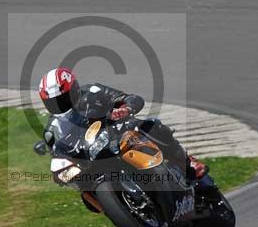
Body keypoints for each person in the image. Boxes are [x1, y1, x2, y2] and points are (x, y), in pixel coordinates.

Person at [36, 67, 208, 181]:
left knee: (152, 125)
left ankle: (187, 163)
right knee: (82, 187)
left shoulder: (93, 92)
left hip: (119, 135)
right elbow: (56, 150)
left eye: (62, 99)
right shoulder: (54, 127)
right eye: (54, 102)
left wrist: (125, 109)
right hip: (93, 156)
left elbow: (131, 98)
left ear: (73, 90)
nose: (60, 105)